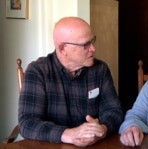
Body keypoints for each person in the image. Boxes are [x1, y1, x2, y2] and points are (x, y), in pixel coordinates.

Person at [18, 17, 123, 147]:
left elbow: (114, 111)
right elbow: (27, 123)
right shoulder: (38, 71)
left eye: (92, 41)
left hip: (94, 145)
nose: (93, 49)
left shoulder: (100, 69)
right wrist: (69, 134)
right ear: (63, 49)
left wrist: (102, 129)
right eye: (86, 45)